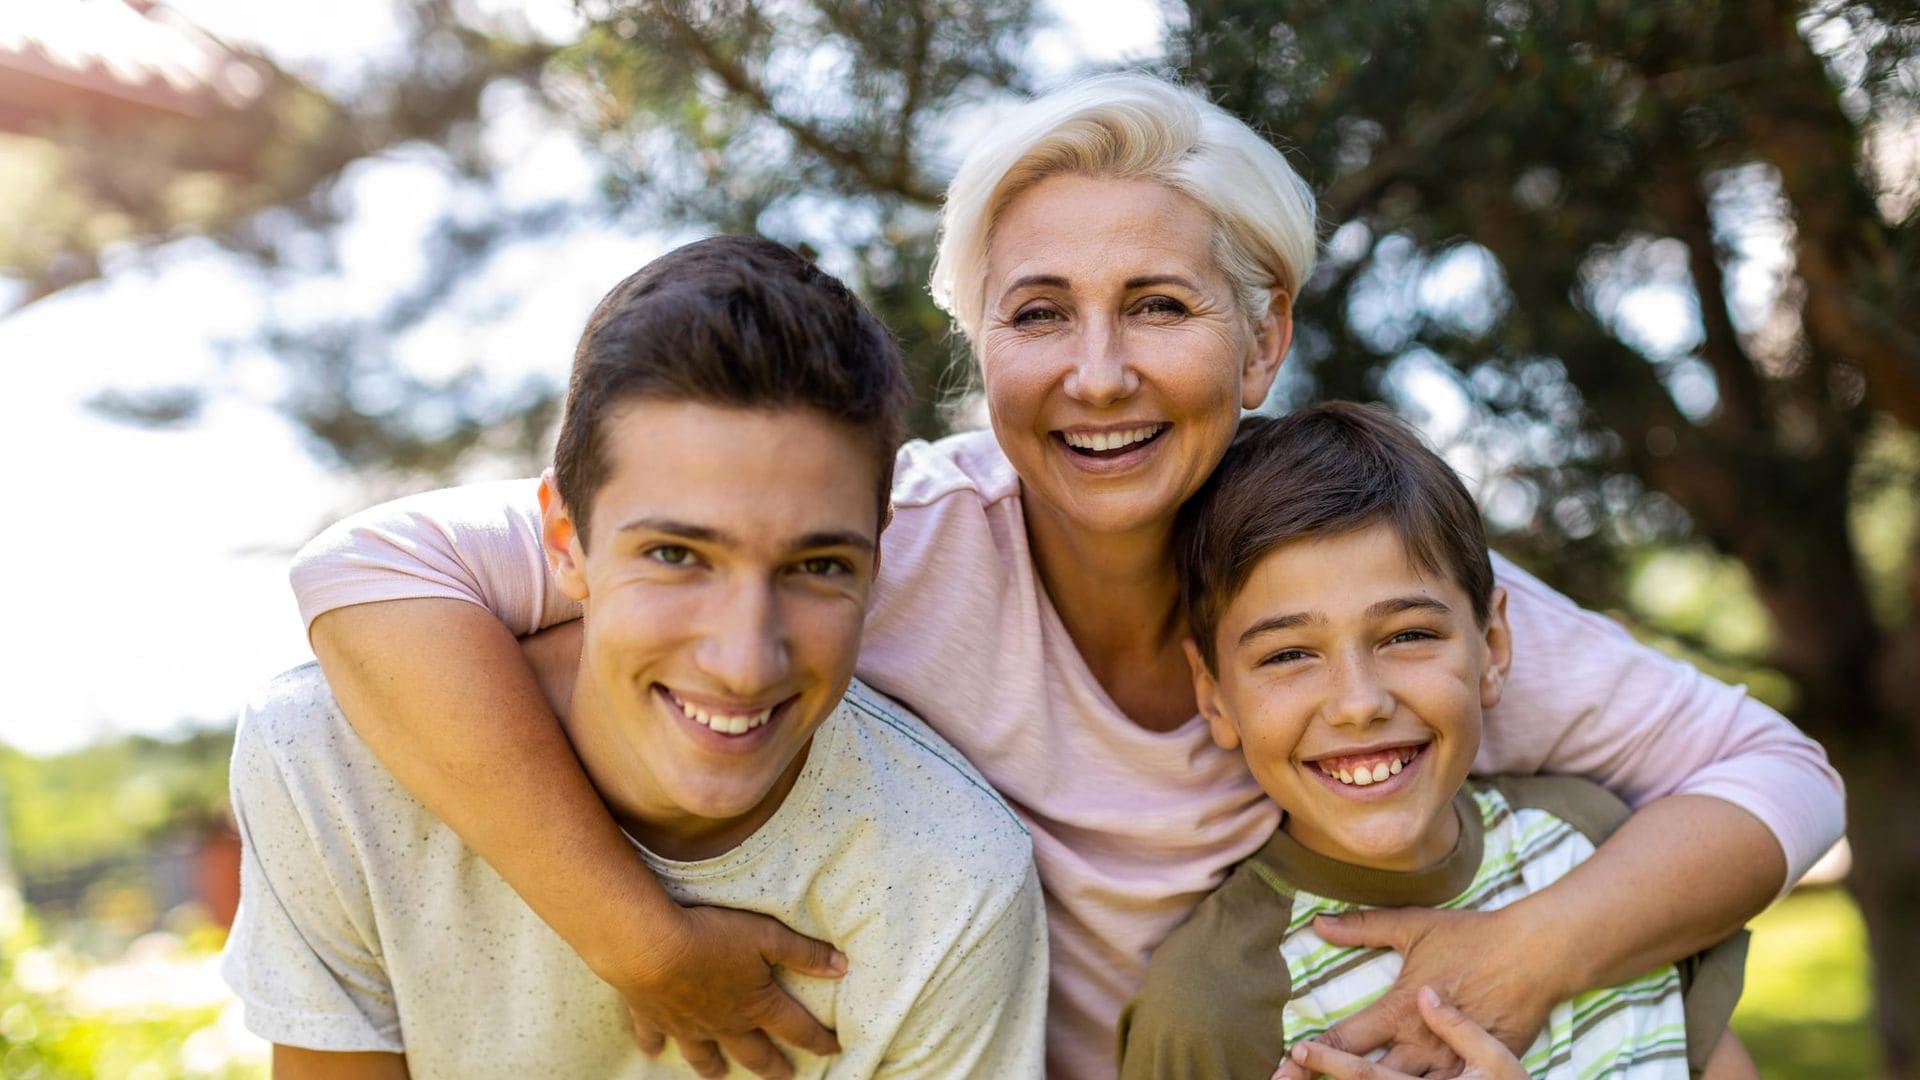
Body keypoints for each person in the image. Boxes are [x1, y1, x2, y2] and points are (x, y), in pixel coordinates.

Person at [285, 74, 1844, 1079]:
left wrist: (1526, 954)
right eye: (1039, 316)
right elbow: (370, 568)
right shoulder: (860, 548)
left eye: (1158, 305)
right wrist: (637, 937)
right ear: (984, 350)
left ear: (1265, 336)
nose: (1097, 375)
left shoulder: (1355, 587)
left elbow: (1776, 772)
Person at [223, 236, 1048, 1079]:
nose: (742, 661)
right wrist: (647, 944)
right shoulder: (325, 755)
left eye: (817, 567)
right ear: (562, 540)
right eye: (677, 556)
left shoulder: (950, 885)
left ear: (878, 558)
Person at [1115, 403, 1752, 1078]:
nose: (1360, 703)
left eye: (1408, 636)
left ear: (1493, 645)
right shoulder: (1210, 1011)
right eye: (1288, 655)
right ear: (1214, 694)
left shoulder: (1593, 844)